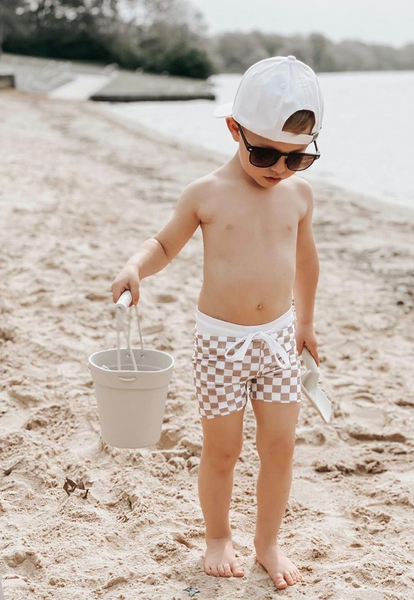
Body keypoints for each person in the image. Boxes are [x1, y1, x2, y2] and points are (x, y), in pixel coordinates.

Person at [111, 55, 323, 590]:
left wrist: (307, 322)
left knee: (280, 445)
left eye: (297, 158)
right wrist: (136, 266)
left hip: (276, 338)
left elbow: (306, 261)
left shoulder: (297, 195)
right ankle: (218, 535)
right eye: (266, 152)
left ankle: (268, 542)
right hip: (220, 345)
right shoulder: (206, 194)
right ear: (234, 129)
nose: (279, 168)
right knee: (223, 448)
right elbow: (164, 244)